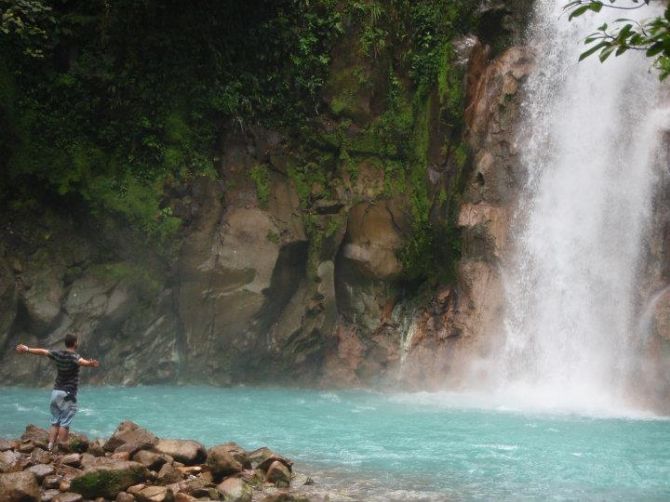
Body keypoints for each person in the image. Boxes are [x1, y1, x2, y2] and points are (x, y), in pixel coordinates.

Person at [15, 333, 99, 451]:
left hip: (55, 392)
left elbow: (43, 352)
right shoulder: (74, 356)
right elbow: (82, 362)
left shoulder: (58, 354)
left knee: (55, 421)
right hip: (68, 394)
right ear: (75, 343)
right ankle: (61, 449)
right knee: (64, 423)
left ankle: (50, 446)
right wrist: (90, 364)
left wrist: (27, 349)